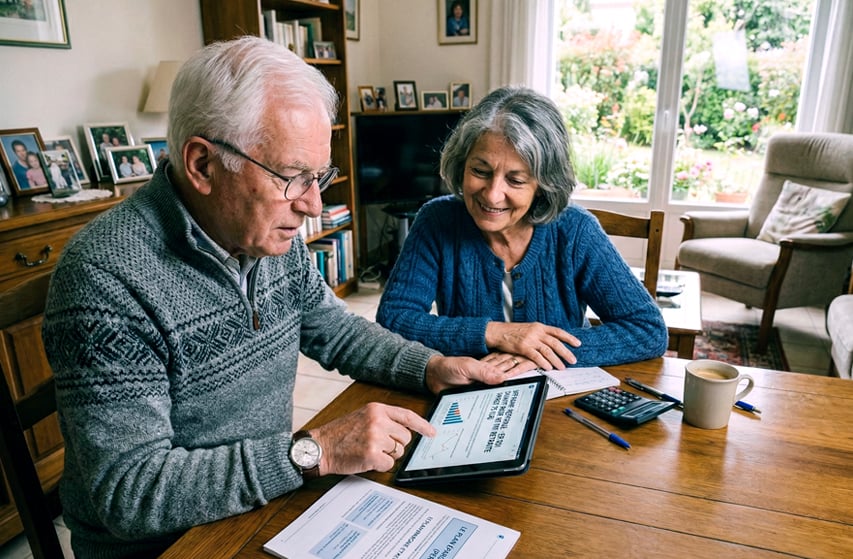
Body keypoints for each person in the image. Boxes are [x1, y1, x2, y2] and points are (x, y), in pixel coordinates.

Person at [42, 36, 508, 559]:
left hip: (258, 504)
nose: (313, 204)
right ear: (202, 165)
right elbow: (129, 492)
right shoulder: (105, 278)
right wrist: (315, 451)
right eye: (293, 178)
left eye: (319, 176)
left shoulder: (266, 238)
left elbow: (336, 329)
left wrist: (430, 366)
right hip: (168, 545)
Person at [376, 86, 668, 371]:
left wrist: (543, 354)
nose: (492, 195)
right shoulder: (436, 220)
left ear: (543, 185)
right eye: (480, 171)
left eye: (515, 180)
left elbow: (647, 330)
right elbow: (394, 319)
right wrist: (499, 333)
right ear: (461, 164)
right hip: (468, 390)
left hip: (559, 396)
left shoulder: (576, 230)